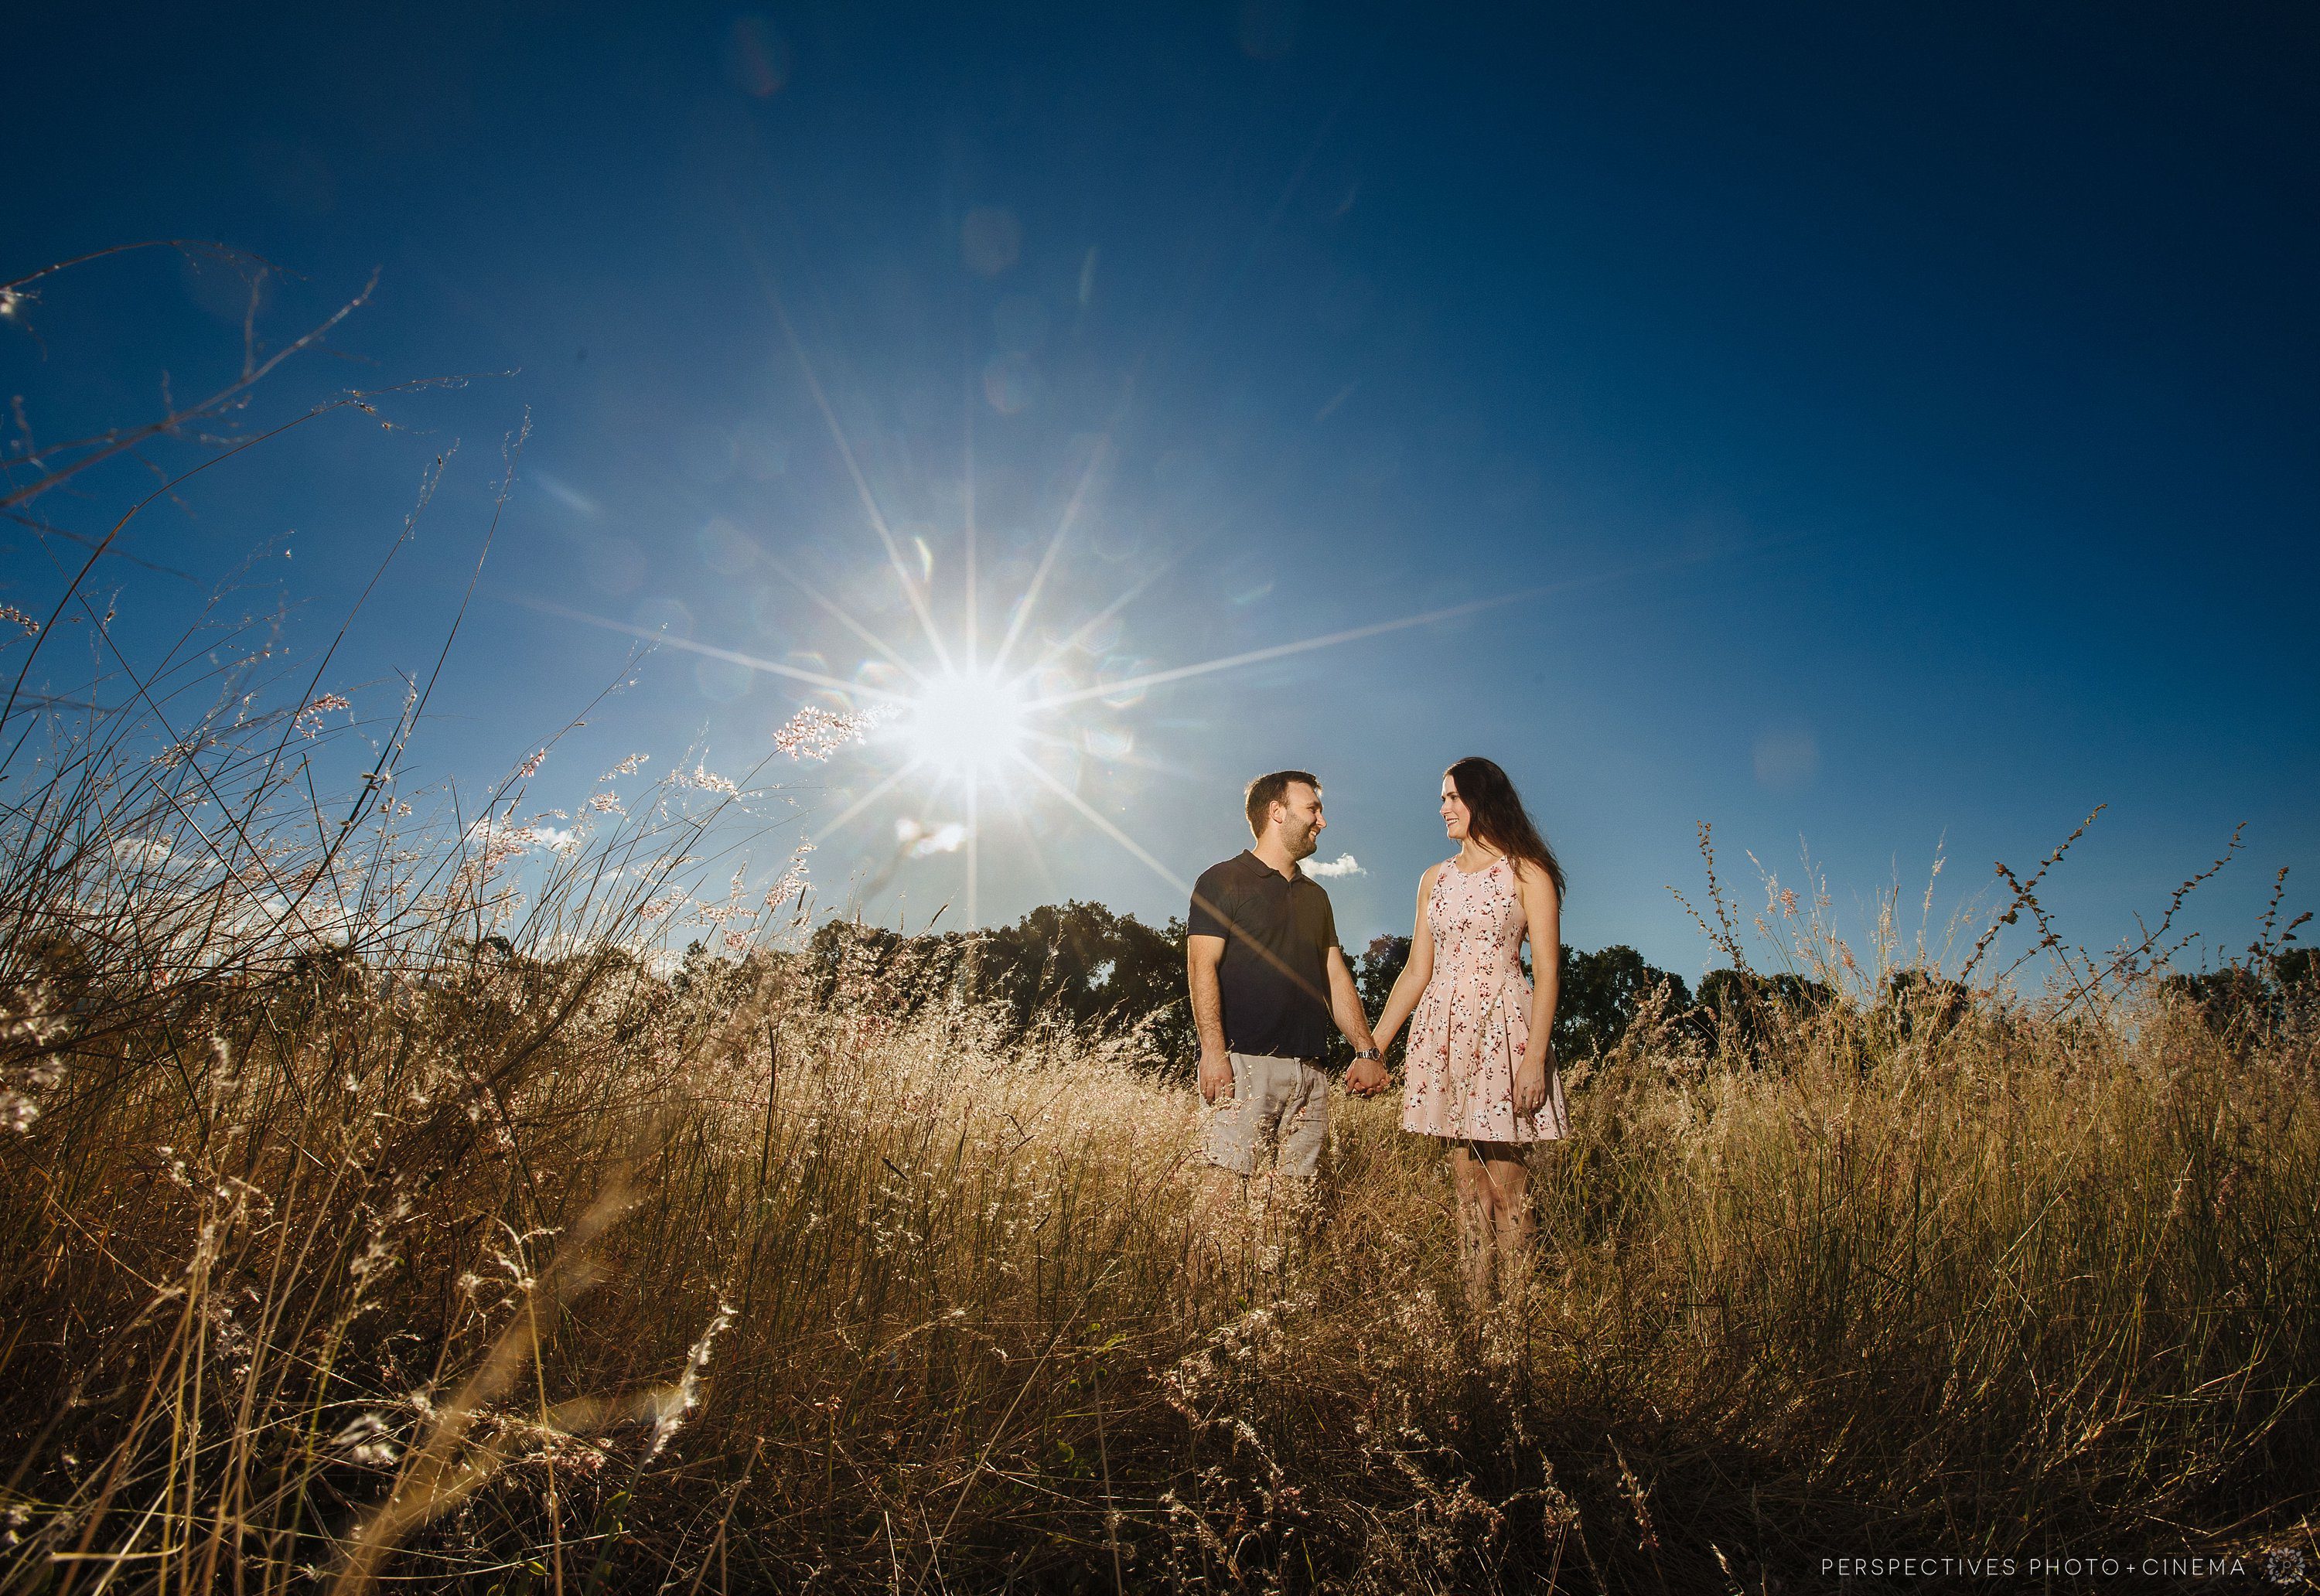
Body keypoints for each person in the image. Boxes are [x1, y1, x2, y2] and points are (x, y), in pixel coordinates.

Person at [1370, 756, 1568, 1307]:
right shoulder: (1435, 878)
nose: (1443, 809)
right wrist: (1373, 1047)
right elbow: (1416, 971)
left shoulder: (1528, 873)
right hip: (1444, 1037)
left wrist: (1534, 1058)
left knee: (1508, 1188)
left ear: (1484, 799)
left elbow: (1549, 972)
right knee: (1467, 1190)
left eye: (1453, 797)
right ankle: (1480, 1322)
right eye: (1441, 798)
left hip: (1505, 1032)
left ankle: (1518, 1328)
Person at [1186, 770, 1390, 1271]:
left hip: (1311, 1077)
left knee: (1292, 1215)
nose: (1322, 820)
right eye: (1312, 809)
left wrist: (1366, 1050)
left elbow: (1335, 975)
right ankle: (1205, 1324)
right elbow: (1201, 967)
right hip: (1244, 1066)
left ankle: (1275, 1318)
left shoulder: (1317, 898)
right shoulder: (1221, 880)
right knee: (1221, 1208)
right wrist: (1213, 1054)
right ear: (1277, 812)